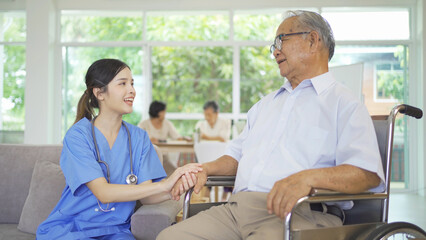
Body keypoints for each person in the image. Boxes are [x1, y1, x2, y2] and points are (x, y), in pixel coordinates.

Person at [158, 10, 385, 240]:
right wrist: (205, 169)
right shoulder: (264, 105)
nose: (276, 51)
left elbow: (367, 174)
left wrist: (308, 178)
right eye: (274, 45)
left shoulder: (343, 103)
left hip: (296, 214)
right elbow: (234, 158)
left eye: (282, 40)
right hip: (235, 211)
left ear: (313, 40)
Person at [36, 59, 201, 240]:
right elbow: (103, 193)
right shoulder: (78, 136)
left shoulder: (139, 138)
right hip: (72, 227)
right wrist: (164, 184)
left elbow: (146, 196)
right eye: (122, 83)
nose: (132, 90)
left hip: (115, 230)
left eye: (132, 83)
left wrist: (176, 186)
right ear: (99, 93)